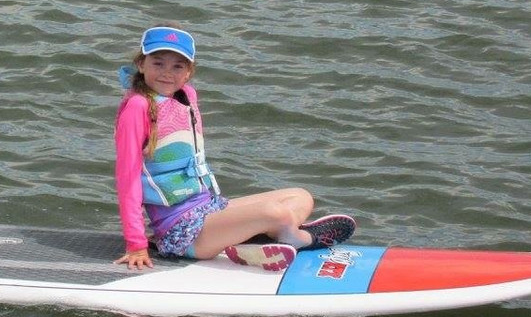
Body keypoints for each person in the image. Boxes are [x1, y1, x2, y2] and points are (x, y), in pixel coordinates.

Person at [114, 26, 355, 271]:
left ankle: (263, 238)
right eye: (158, 63)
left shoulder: (186, 97)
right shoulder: (138, 107)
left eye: (178, 66)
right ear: (141, 64)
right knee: (275, 213)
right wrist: (136, 244)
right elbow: (128, 179)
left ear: (188, 72)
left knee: (300, 196)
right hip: (180, 231)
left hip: (209, 208)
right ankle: (303, 239)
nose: (167, 73)